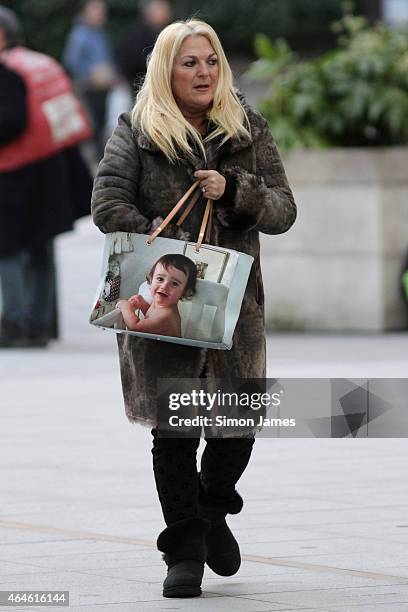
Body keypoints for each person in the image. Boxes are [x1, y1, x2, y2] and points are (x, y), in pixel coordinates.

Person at [91, 19, 296, 598]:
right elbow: (107, 203)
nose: (203, 72)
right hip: (161, 302)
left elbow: (284, 210)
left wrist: (236, 192)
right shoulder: (136, 128)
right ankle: (183, 549)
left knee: (235, 424)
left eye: (210, 61)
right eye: (189, 62)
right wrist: (157, 232)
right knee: (176, 431)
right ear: (166, 69)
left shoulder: (247, 127)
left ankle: (211, 509)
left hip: (235, 306)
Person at [0, 6, 93, 348]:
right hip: (50, 169)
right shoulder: (39, 62)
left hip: (16, 175)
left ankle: (14, 323)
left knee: (6, 249)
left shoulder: (6, 71)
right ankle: (40, 324)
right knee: (41, 247)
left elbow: (11, 122)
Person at [63, 0, 115, 158]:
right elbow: (71, 62)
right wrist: (91, 74)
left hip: (103, 88)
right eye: (96, 10)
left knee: (101, 125)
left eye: (102, 10)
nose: (101, 14)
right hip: (89, 89)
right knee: (93, 127)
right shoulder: (79, 35)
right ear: (85, 11)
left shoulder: (99, 32)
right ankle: (97, 161)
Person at [116, 253, 197, 336]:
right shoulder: (161, 306)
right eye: (160, 279)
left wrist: (125, 305)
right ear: (151, 280)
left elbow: (135, 326)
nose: (164, 286)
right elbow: (151, 318)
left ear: (185, 292)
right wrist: (142, 304)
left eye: (174, 284)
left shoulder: (166, 316)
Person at [115, 0, 171, 92]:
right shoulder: (137, 35)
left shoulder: (159, 32)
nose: (167, 12)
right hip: (136, 87)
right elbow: (137, 64)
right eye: (163, 9)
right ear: (150, 12)